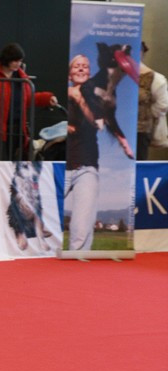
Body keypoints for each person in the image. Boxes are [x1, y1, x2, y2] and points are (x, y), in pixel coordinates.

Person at [0, 42, 57, 159]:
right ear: (7, 59)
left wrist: (46, 98)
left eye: (20, 61)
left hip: (17, 129)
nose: (19, 64)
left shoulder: (22, 76)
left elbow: (28, 98)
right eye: (15, 61)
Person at [65, 54, 105, 251]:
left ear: (89, 73)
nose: (81, 69)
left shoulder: (96, 96)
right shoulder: (62, 94)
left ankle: (78, 268)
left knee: (81, 228)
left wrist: (79, 98)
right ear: (70, 73)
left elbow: (99, 124)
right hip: (60, 165)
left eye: (85, 66)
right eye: (76, 66)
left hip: (86, 165)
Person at [137, 42, 168, 159]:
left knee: (138, 163)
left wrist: (146, 116)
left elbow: (162, 105)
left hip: (140, 131)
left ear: (142, 53)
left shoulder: (155, 78)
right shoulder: (115, 75)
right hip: (116, 129)